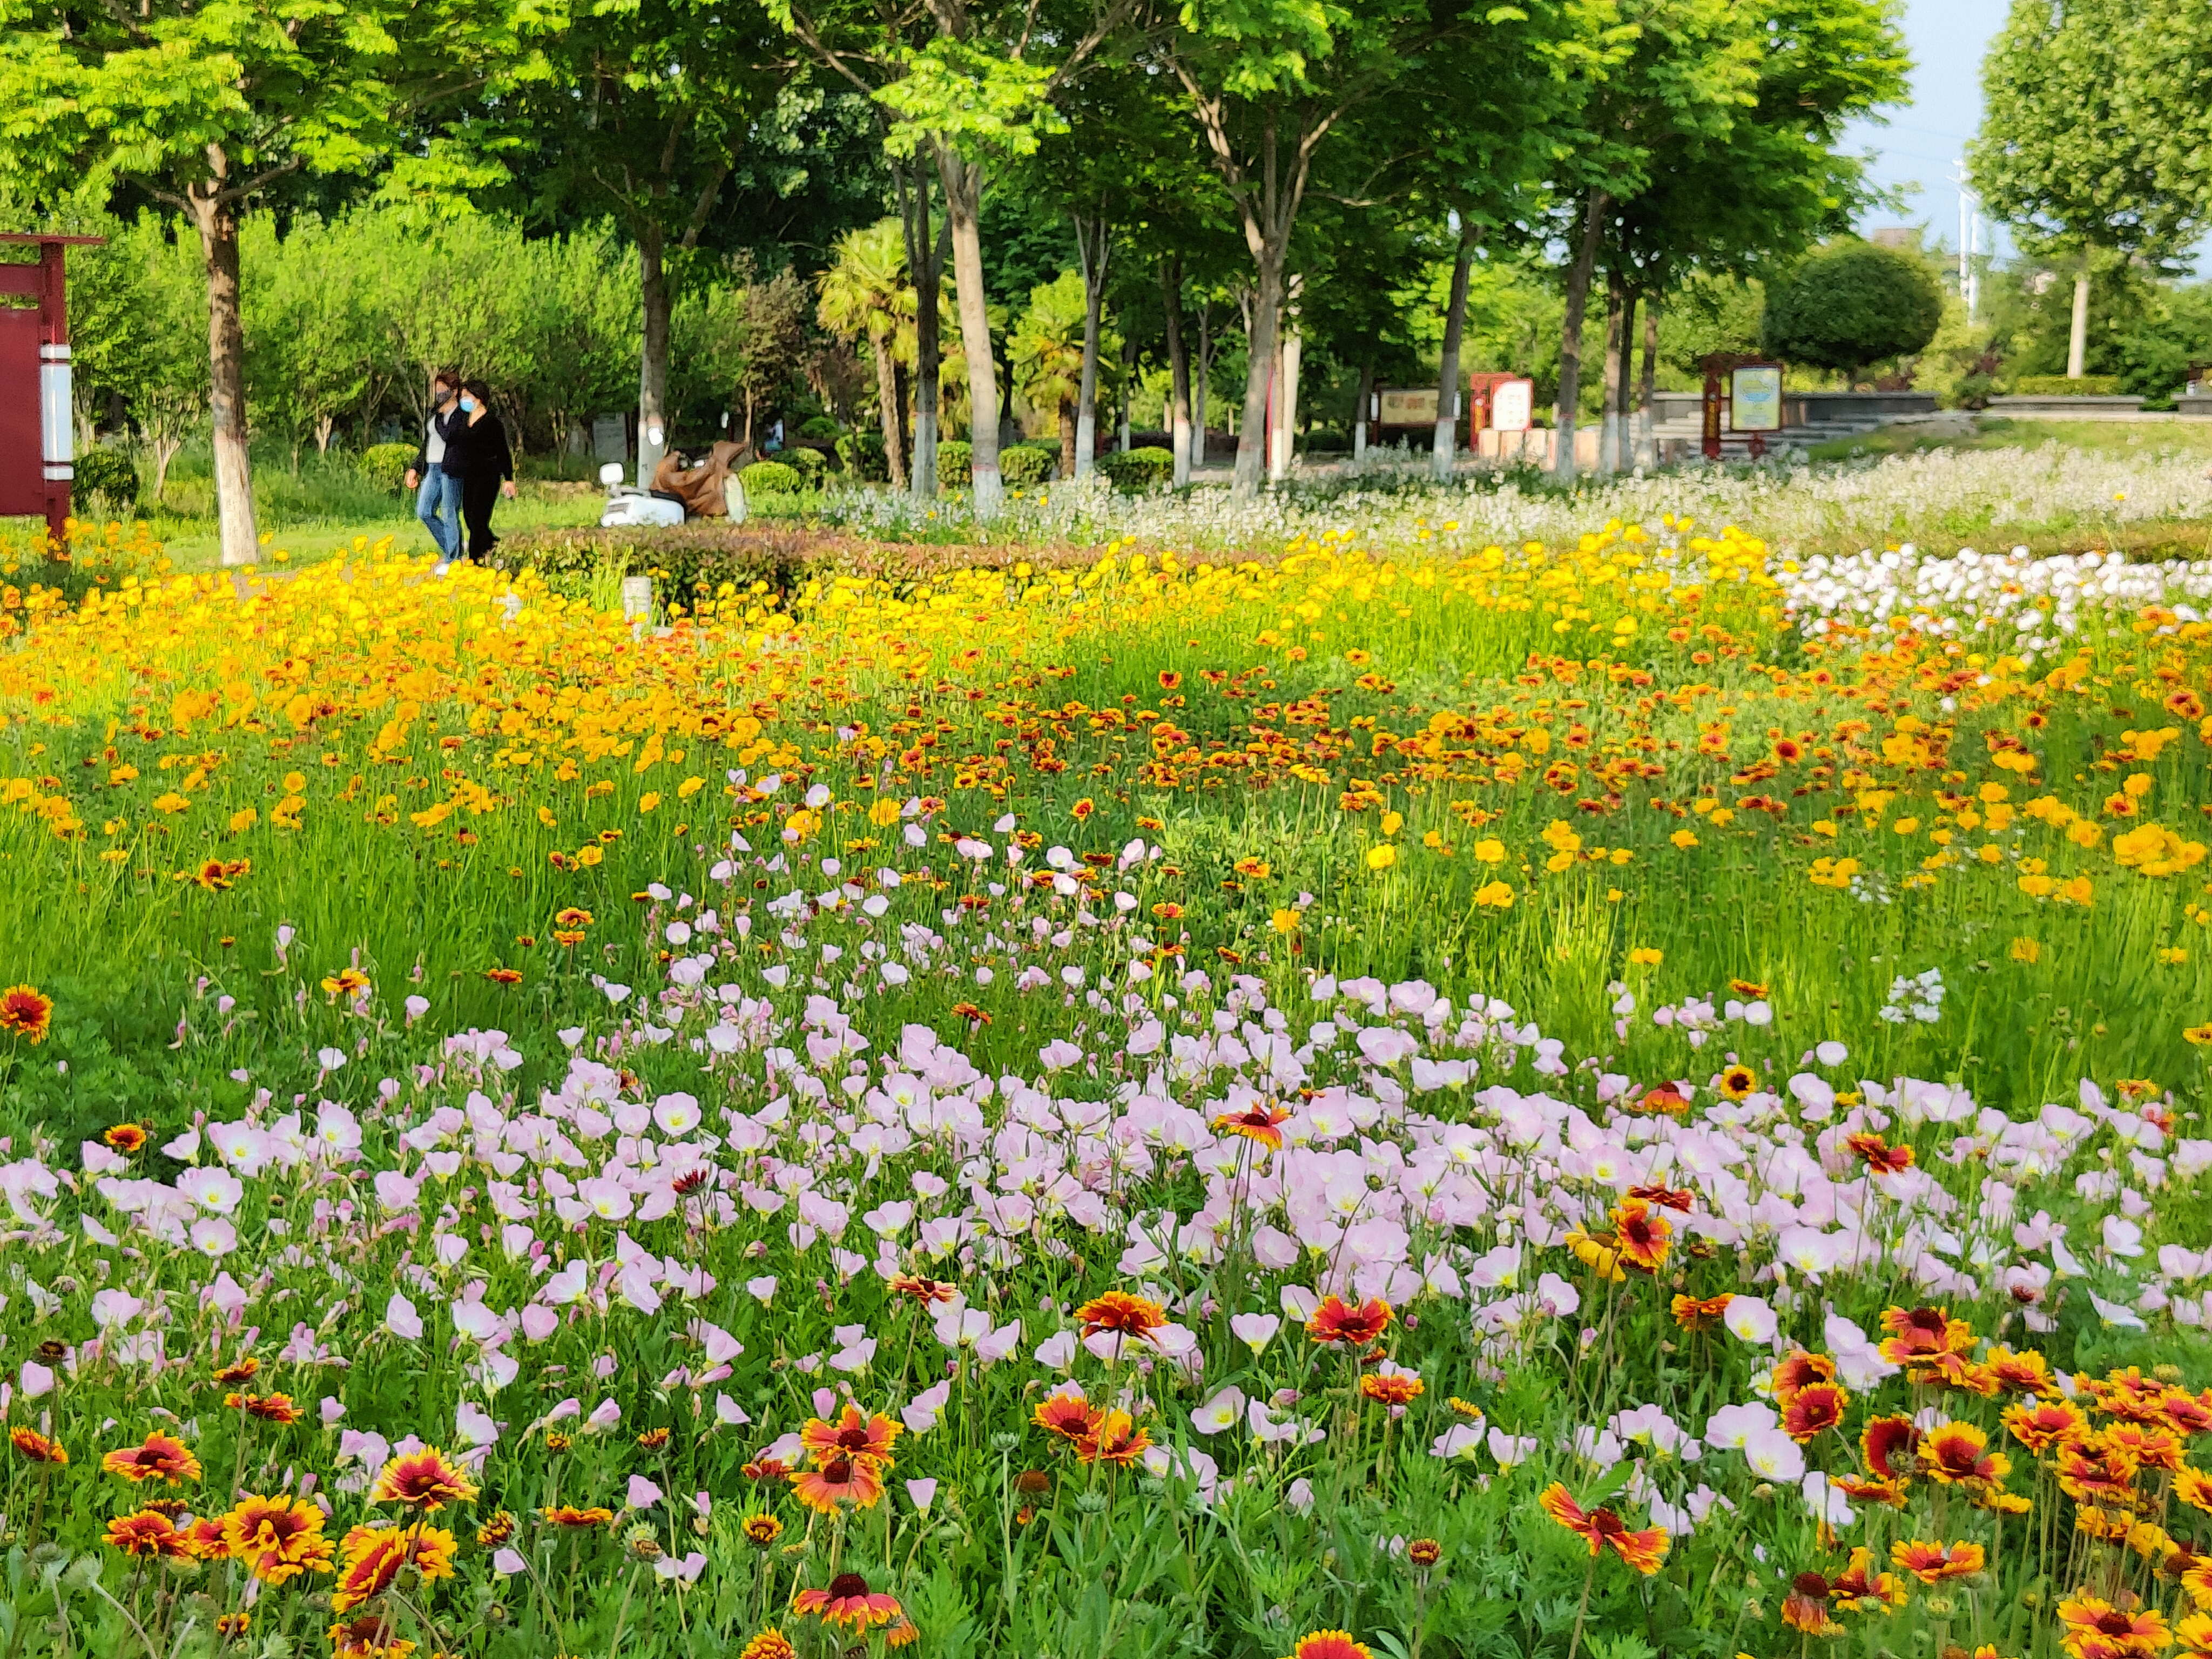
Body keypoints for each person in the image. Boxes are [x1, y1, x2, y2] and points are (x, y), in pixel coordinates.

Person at [440, 379, 515, 569]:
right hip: (469, 477)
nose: (463, 400)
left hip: (488, 476)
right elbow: (451, 438)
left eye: (467, 396)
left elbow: (503, 451)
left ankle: (475, 561)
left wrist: (509, 479)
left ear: (479, 398)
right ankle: (491, 545)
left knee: (479, 519)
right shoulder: (463, 420)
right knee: (469, 518)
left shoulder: (492, 422)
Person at [403, 372, 464, 560]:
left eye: (442, 390)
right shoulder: (435, 416)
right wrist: (416, 468)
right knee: (424, 511)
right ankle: (454, 547)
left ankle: (452, 558)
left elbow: (449, 437)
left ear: (454, 391)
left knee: (449, 512)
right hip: (433, 468)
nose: (438, 394)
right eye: (436, 390)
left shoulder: (461, 415)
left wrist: (440, 417)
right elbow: (427, 444)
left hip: (451, 469)